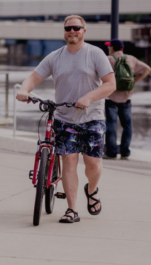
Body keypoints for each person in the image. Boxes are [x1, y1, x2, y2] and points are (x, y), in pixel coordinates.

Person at [16, 15, 116, 224]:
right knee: (69, 163)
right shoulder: (55, 56)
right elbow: (34, 77)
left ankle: (92, 188)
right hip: (64, 118)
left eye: (76, 28)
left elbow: (110, 84)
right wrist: (25, 90)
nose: (72, 31)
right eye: (68, 28)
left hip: (92, 118)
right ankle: (72, 209)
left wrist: (88, 97)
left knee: (93, 165)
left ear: (84, 31)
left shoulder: (95, 54)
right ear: (64, 32)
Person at [104, 39, 151, 160]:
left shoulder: (108, 59)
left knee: (111, 125)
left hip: (111, 97)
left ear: (113, 48)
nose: (109, 48)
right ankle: (125, 152)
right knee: (127, 125)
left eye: (110, 47)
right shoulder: (131, 59)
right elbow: (147, 69)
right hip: (126, 97)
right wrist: (134, 81)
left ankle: (111, 152)